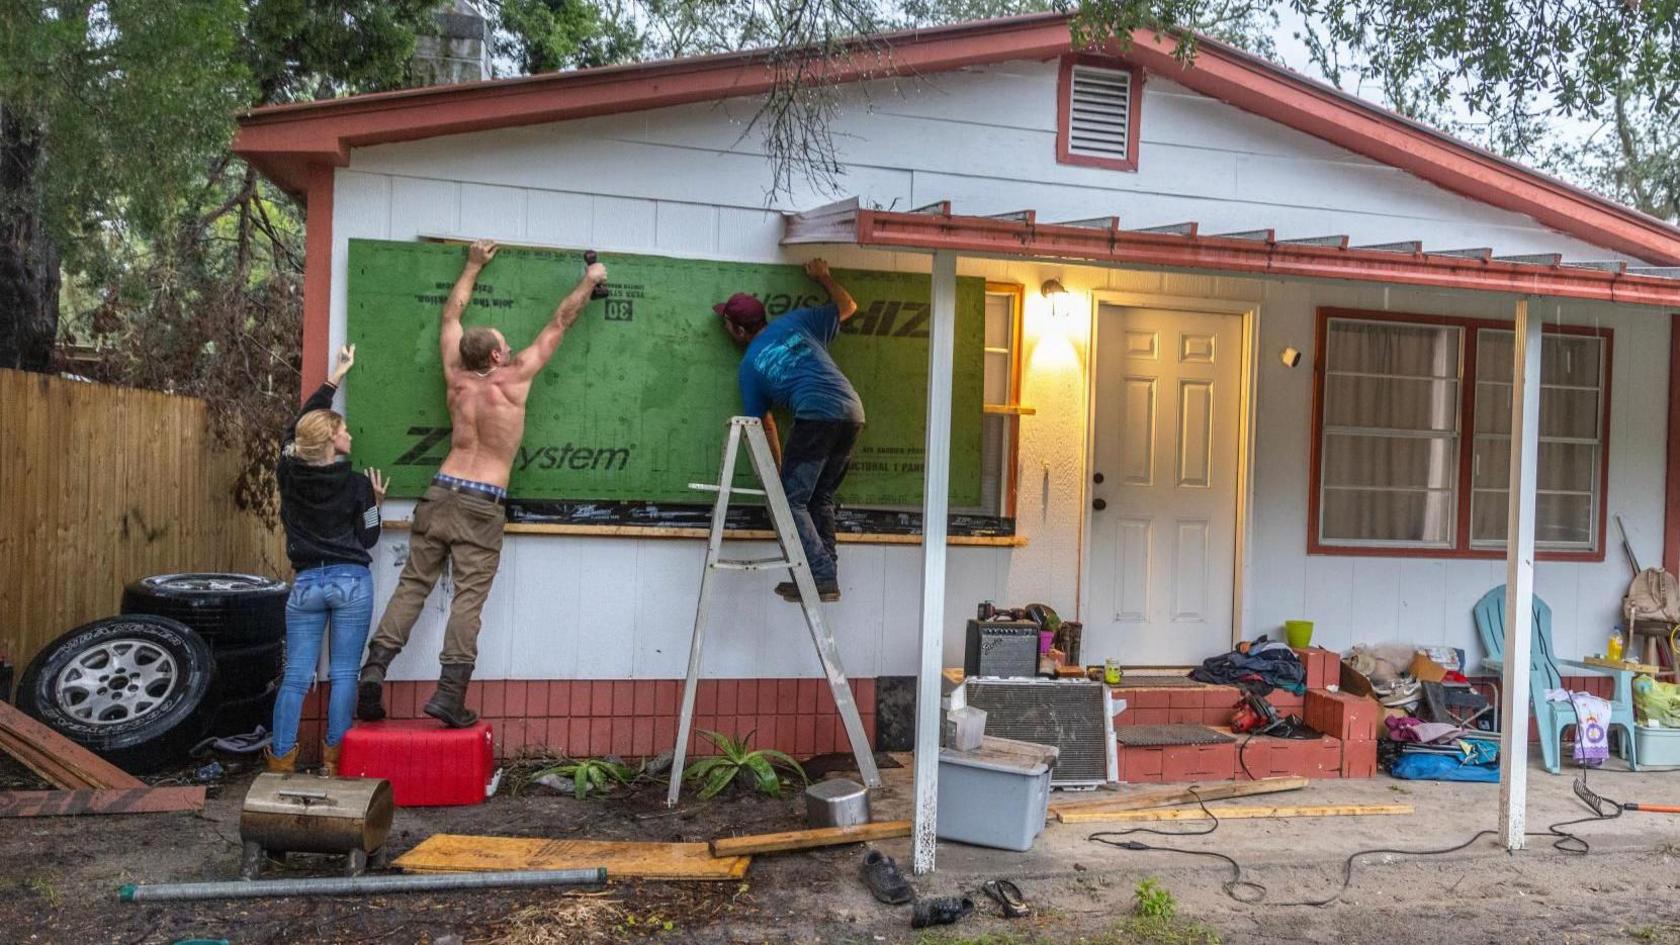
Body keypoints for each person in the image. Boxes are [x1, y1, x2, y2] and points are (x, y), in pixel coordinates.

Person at [357, 239, 607, 727]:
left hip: (441, 489)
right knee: (468, 598)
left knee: (413, 586)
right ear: (496, 354)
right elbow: (560, 322)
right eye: (504, 344)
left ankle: (373, 670)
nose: (511, 347)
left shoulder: (456, 376)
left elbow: (450, 317)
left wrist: (472, 265)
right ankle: (449, 696)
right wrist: (590, 280)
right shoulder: (512, 380)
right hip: (481, 503)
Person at [269, 343, 387, 775]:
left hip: (306, 584)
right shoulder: (356, 484)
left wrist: (333, 378)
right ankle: (336, 761)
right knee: (343, 675)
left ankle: (281, 760)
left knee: (296, 677)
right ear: (332, 441)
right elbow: (369, 537)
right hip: (351, 582)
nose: (350, 435)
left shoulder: (288, 473)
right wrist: (375, 502)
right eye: (344, 431)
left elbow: (292, 430)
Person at [716, 258, 862, 603]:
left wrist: (778, 472)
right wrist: (824, 277)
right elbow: (848, 305)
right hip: (852, 411)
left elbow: (763, 423)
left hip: (817, 416)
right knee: (819, 497)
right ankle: (826, 579)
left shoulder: (750, 366)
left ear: (738, 330)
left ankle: (822, 575)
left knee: (792, 500)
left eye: (726, 324)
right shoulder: (797, 322)